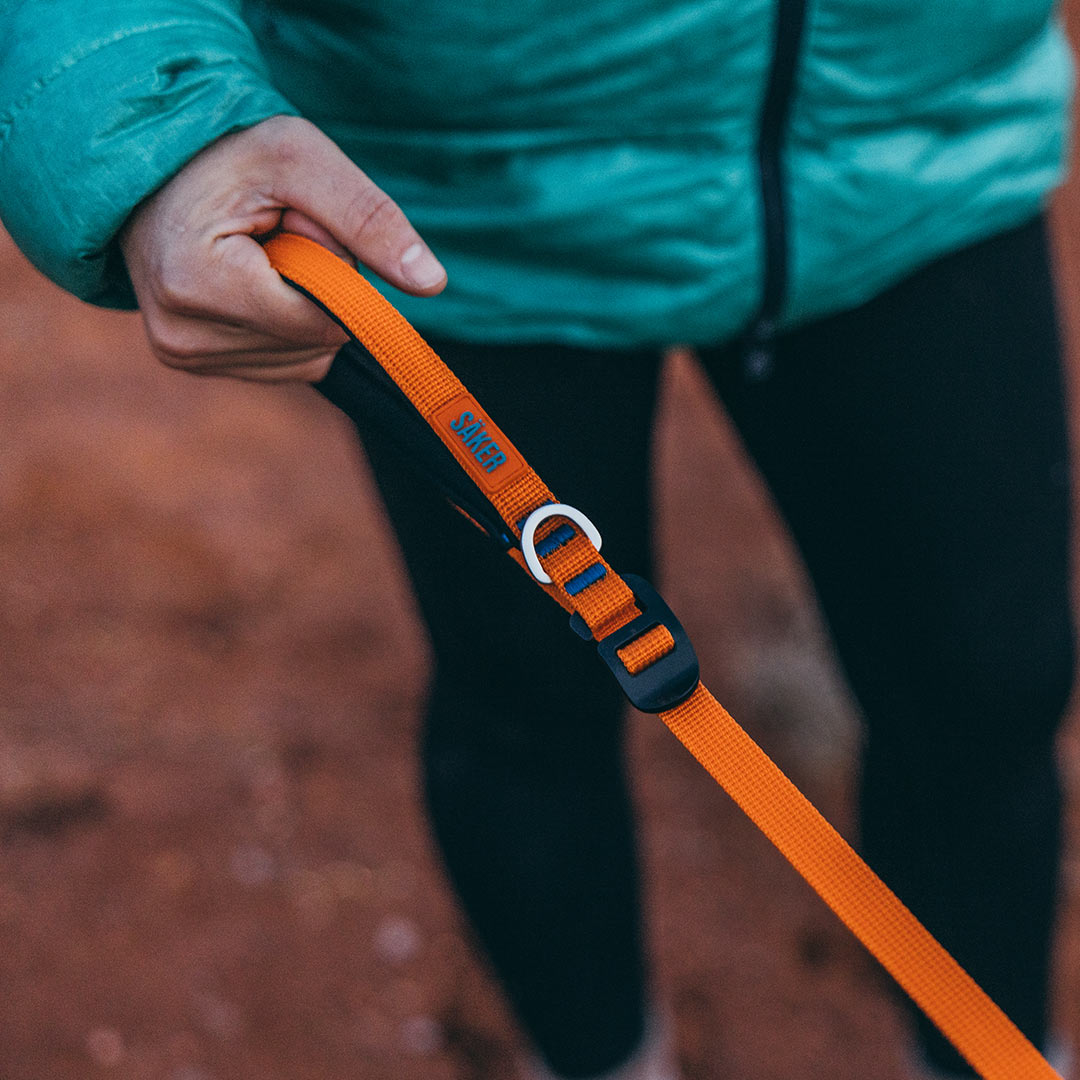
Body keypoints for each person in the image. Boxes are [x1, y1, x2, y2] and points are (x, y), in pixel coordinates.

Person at [0, 3, 1075, 1077]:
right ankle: (594, 1059)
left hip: (917, 157)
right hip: (460, 207)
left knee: (990, 683)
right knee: (526, 702)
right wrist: (143, 111)